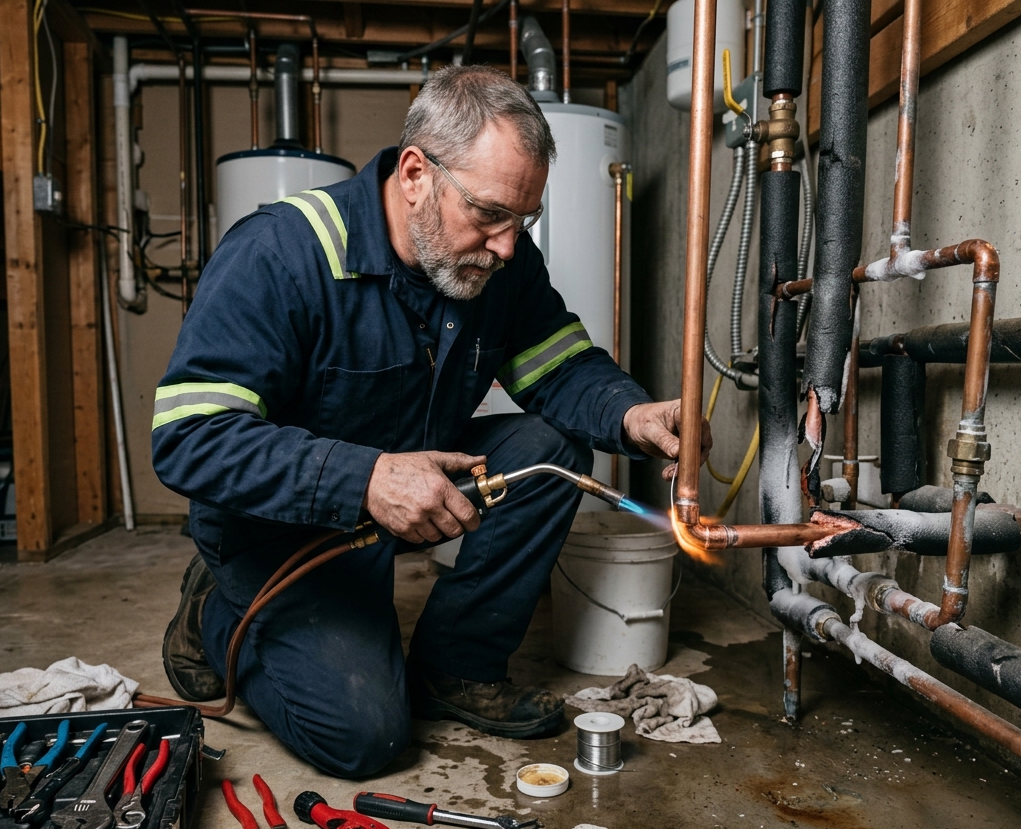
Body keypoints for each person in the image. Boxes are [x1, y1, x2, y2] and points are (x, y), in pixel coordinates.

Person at [152, 65, 710, 778]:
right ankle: (217, 613)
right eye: (489, 214)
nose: (508, 245)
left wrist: (633, 414)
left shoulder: (496, 261)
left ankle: (456, 666)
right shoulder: (280, 254)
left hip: (401, 488)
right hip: (277, 529)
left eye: (523, 220)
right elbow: (188, 437)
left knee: (551, 447)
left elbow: (560, 367)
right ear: (416, 174)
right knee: (366, 738)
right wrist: (365, 479)